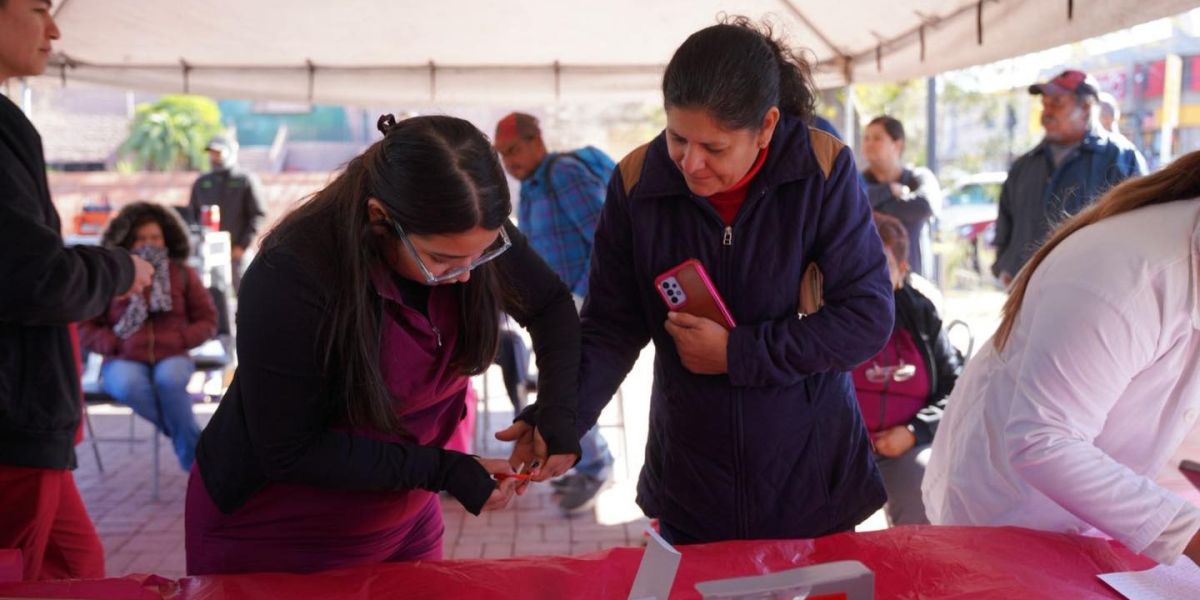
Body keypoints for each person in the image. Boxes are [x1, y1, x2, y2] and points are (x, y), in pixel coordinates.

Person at [516, 18, 894, 544]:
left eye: (714, 148)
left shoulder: (822, 170)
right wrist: (560, 418)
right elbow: (611, 325)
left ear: (765, 126)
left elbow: (866, 319)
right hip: (692, 476)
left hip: (812, 473)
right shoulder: (635, 183)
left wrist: (738, 352)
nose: (691, 164)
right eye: (677, 138)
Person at [185, 114, 581, 575]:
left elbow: (551, 306)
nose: (469, 273)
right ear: (380, 217)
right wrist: (444, 469)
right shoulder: (290, 276)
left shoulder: (465, 229)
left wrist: (556, 411)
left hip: (405, 518)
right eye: (442, 259)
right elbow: (289, 449)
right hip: (280, 533)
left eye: (485, 252)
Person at [924, 150, 1200, 566]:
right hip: (1014, 518)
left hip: (1111, 519)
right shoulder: (1127, 270)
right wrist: (1187, 534)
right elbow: (1043, 439)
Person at [0, 0, 153, 580]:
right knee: (25, 578)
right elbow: (36, 278)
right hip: (14, 424)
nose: (55, 28)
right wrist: (119, 270)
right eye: (39, 8)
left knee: (76, 567)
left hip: (32, 426)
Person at [493, 111, 615, 513]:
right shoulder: (530, 188)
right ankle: (586, 466)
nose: (510, 162)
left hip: (584, 306)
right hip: (553, 312)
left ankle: (597, 467)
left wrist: (580, 298)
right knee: (560, 387)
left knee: (568, 388)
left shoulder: (563, 174)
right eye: (502, 155)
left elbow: (607, 239)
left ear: (536, 140)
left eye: (514, 150)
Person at [79, 202, 217, 471]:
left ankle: (195, 464)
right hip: (123, 356)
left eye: (155, 237)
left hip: (173, 353)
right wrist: (114, 343)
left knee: (170, 381)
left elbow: (208, 320)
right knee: (129, 385)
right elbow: (85, 326)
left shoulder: (183, 274)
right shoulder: (112, 278)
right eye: (141, 238)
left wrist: (181, 339)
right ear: (128, 241)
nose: (148, 243)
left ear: (166, 238)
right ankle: (197, 452)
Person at [851, 213, 961, 525]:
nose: (867, 277)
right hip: (839, 449)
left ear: (902, 270)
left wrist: (915, 431)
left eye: (880, 266)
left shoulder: (922, 316)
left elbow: (956, 389)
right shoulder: (825, 312)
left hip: (906, 446)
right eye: (858, 264)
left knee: (924, 484)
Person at [991, 69, 1146, 286]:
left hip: (1089, 293)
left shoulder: (1121, 158)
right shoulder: (1024, 165)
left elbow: (1138, 231)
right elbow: (1006, 222)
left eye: (1057, 102)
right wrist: (1003, 265)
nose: (1046, 111)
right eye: (1044, 103)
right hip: (1024, 291)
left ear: (1085, 108)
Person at [861, 116, 941, 280]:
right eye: (866, 138)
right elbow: (852, 204)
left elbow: (924, 206)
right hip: (869, 283)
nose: (869, 144)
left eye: (877, 138)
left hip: (914, 283)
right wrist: (889, 190)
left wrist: (872, 206)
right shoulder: (856, 180)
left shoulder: (919, 177)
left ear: (898, 144)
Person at [188, 134, 266, 293]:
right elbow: (192, 215)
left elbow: (258, 215)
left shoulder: (245, 180)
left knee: (246, 294)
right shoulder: (202, 182)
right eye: (211, 153)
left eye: (218, 152)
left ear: (230, 152)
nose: (214, 157)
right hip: (208, 255)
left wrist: (242, 246)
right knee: (213, 297)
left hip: (237, 254)